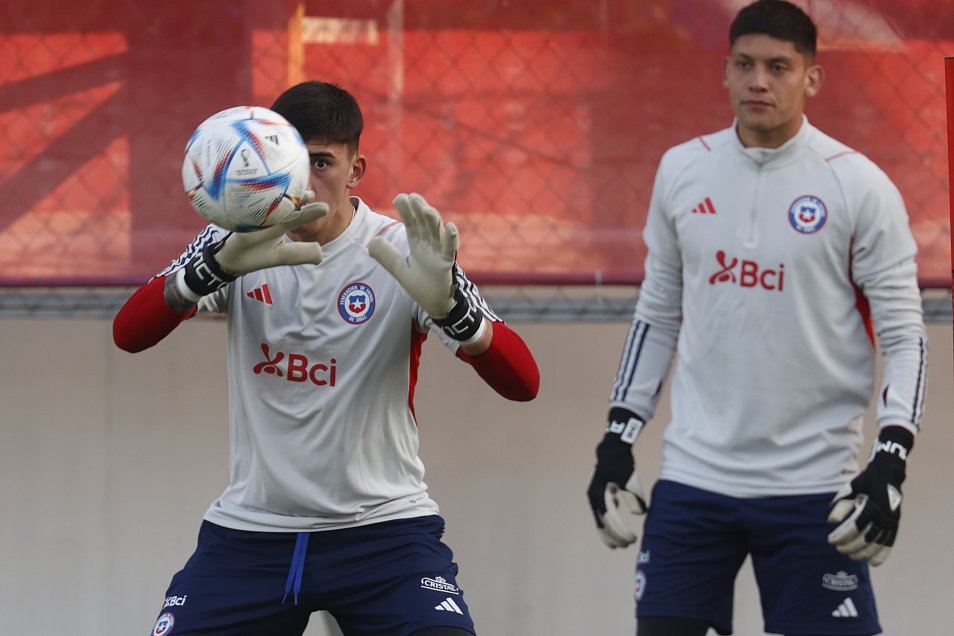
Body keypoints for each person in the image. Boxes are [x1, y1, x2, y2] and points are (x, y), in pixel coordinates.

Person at [114, 80, 540, 636]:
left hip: (384, 534)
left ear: (356, 168)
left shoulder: (401, 250)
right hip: (252, 533)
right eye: (291, 163)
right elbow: (128, 333)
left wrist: (457, 312)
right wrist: (210, 271)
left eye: (322, 163)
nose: (304, 183)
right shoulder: (236, 240)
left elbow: (524, 382)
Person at [584, 2, 928, 635]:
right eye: (745, 65)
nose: (759, 82)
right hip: (695, 478)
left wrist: (890, 458)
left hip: (814, 484)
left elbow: (906, 336)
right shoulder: (682, 171)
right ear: (725, 71)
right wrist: (617, 439)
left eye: (779, 67)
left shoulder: (860, 186)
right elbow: (657, 316)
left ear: (812, 79)